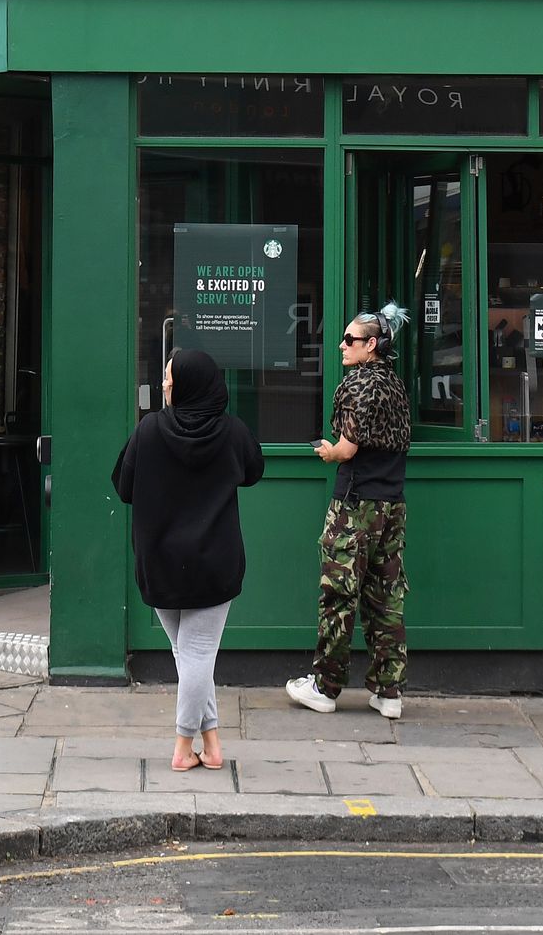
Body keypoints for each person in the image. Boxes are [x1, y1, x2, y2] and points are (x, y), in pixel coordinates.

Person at [112, 348, 264, 772]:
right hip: (214, 563)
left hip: (159, 561)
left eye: (170, 378)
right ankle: (187, 747)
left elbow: (123, 487)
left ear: (185, 385)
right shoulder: (231, 432)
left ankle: (208, 745)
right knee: (196, 654)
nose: (164, 384)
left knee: (189, 654)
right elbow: (254, 471)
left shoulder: (149, 431)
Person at [286, 303, 413, 719]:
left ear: (370, 344)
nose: (341, 346)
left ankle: (325, 688)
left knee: (339, 595)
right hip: (392, 505)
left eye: (349, 340)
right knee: (386, 597)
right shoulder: (395, 384)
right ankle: (389, 693)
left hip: (356, 505)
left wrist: (328, 452)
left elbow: (347, 448)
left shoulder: (358, 384)